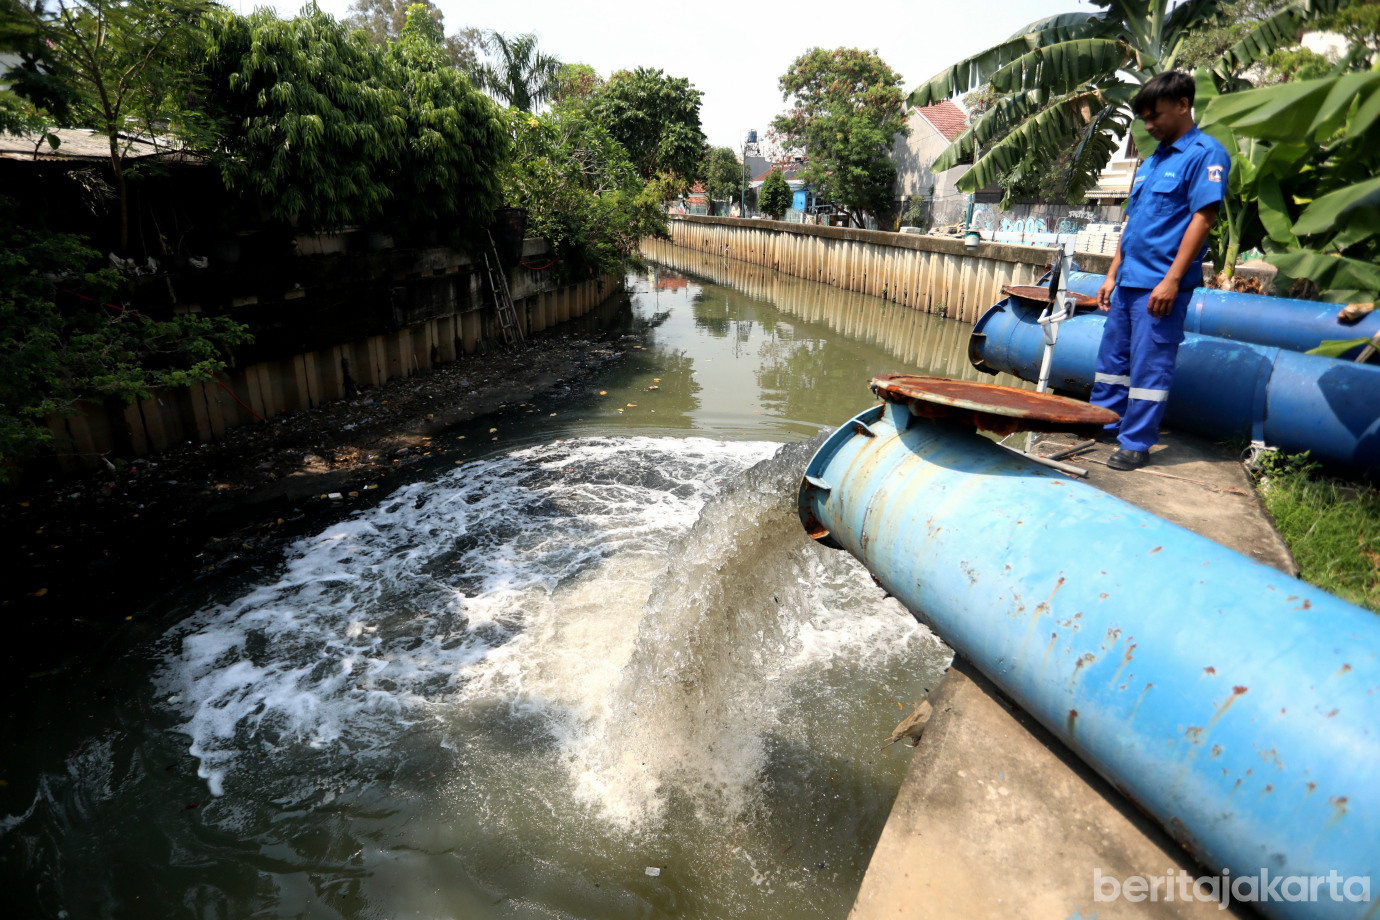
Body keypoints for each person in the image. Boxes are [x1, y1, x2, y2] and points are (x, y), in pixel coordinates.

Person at [1091, 71, 1230, 471]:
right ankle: (1104, 421)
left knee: (1151, 365)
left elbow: (1203, 218)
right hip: (1128, 282)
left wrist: (1171, 280)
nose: (1148, 126)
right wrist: (1111, 273)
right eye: (1144, 118)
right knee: (1112, 362)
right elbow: (1132, 223)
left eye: (1155, 116)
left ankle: (1135, 442)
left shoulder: (1206, 153)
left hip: (1160, 285)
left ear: (1184, 105)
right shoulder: (1151, 163)